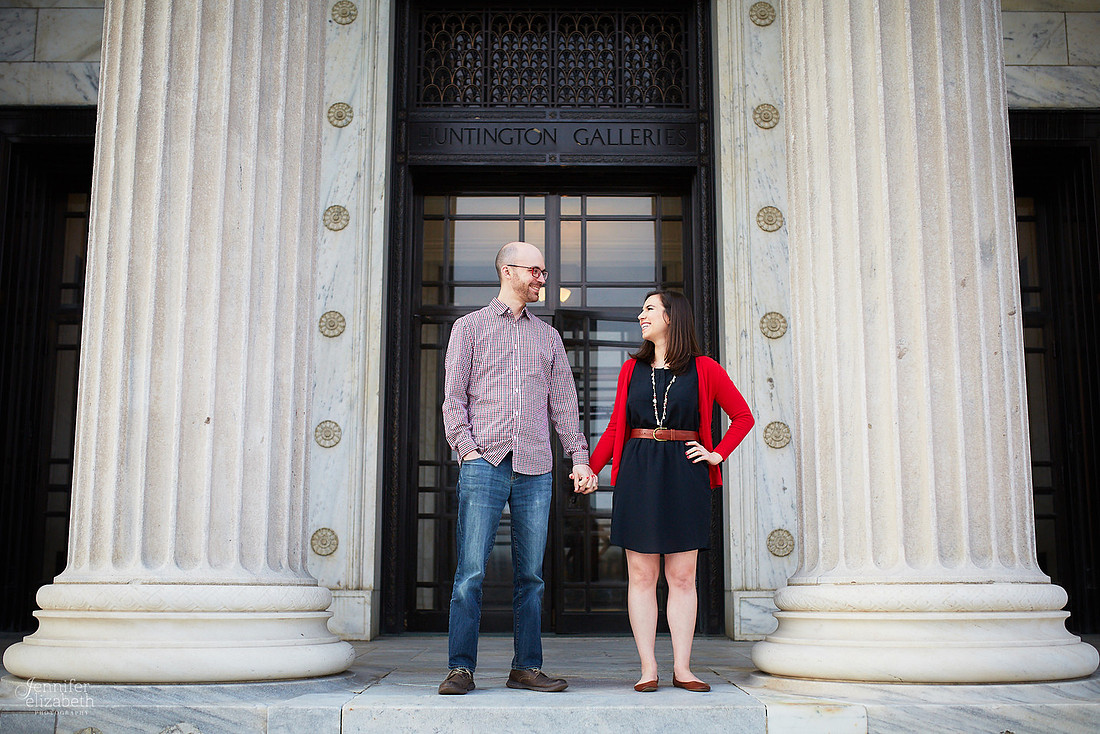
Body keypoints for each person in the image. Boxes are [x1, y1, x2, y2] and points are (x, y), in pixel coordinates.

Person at [439, 241, 596, 695]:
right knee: (470, 572)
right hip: (483, 463)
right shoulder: (468, 328)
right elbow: (454, 398)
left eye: (543, 272)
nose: (542, 279)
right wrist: (465, 449)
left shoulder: (547, 336)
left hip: (535, 468)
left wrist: (579, 457)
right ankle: (460, 669)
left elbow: (565, 404)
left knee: (531, 575)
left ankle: (525, 667)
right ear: (509, 271)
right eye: (536, 271)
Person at [590, 290, 754, 693]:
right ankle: (648, 669)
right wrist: (590, 468)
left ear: (671, 316)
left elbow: (743, 417)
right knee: (642, 576)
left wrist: (716, 455)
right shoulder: (632, 369)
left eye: (649, 309)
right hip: (638, 472)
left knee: (682, 577)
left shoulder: (705, 368)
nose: (640, 315)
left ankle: (683, 668)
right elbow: (616, 426)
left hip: (685, 473)